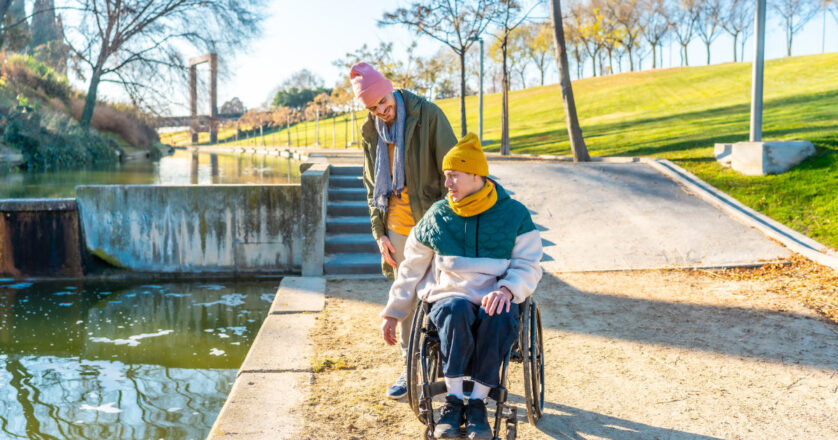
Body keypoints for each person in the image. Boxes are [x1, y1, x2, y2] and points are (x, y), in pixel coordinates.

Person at [380, 133, 543, 439]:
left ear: (476, 175)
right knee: (454, 310)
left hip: (497, 295)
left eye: (453, 175)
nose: (447, 184)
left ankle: (478, 403)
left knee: (500, 314)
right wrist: (393, 312)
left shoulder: (514, 215)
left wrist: (507, 289)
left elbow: (529, 264)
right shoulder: (437, 216)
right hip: (450, 295)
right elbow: (411, 269)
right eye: (445, 176)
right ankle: (454, 401)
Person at [350, 62, 458, 400]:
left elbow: (453, 168)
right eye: (372, 107)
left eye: (383, 101)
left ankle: (446, 367)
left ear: (391, 89)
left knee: (443, 293)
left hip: (432, 221)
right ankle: (410, 368)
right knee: (406, 297)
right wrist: (378, 231)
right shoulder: (371, 132)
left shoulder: (428, 115)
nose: (382, 110)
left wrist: (450, 220)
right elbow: (372, 187)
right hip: (396, 226)